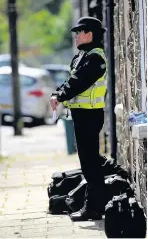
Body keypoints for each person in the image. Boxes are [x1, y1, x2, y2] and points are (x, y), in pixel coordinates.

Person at [50, 16, 107, 221]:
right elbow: (70, 81)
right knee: (87, 161)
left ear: (90, 34)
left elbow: (79, 82)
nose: (75, 37)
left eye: (79, 33)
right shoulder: (82, 56)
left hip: (90, 115)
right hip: (81, 115)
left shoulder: (95, 58)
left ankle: (94, 208)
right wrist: (57, 93)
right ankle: (94, 206)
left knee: (90, 163)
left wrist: (61, 95)